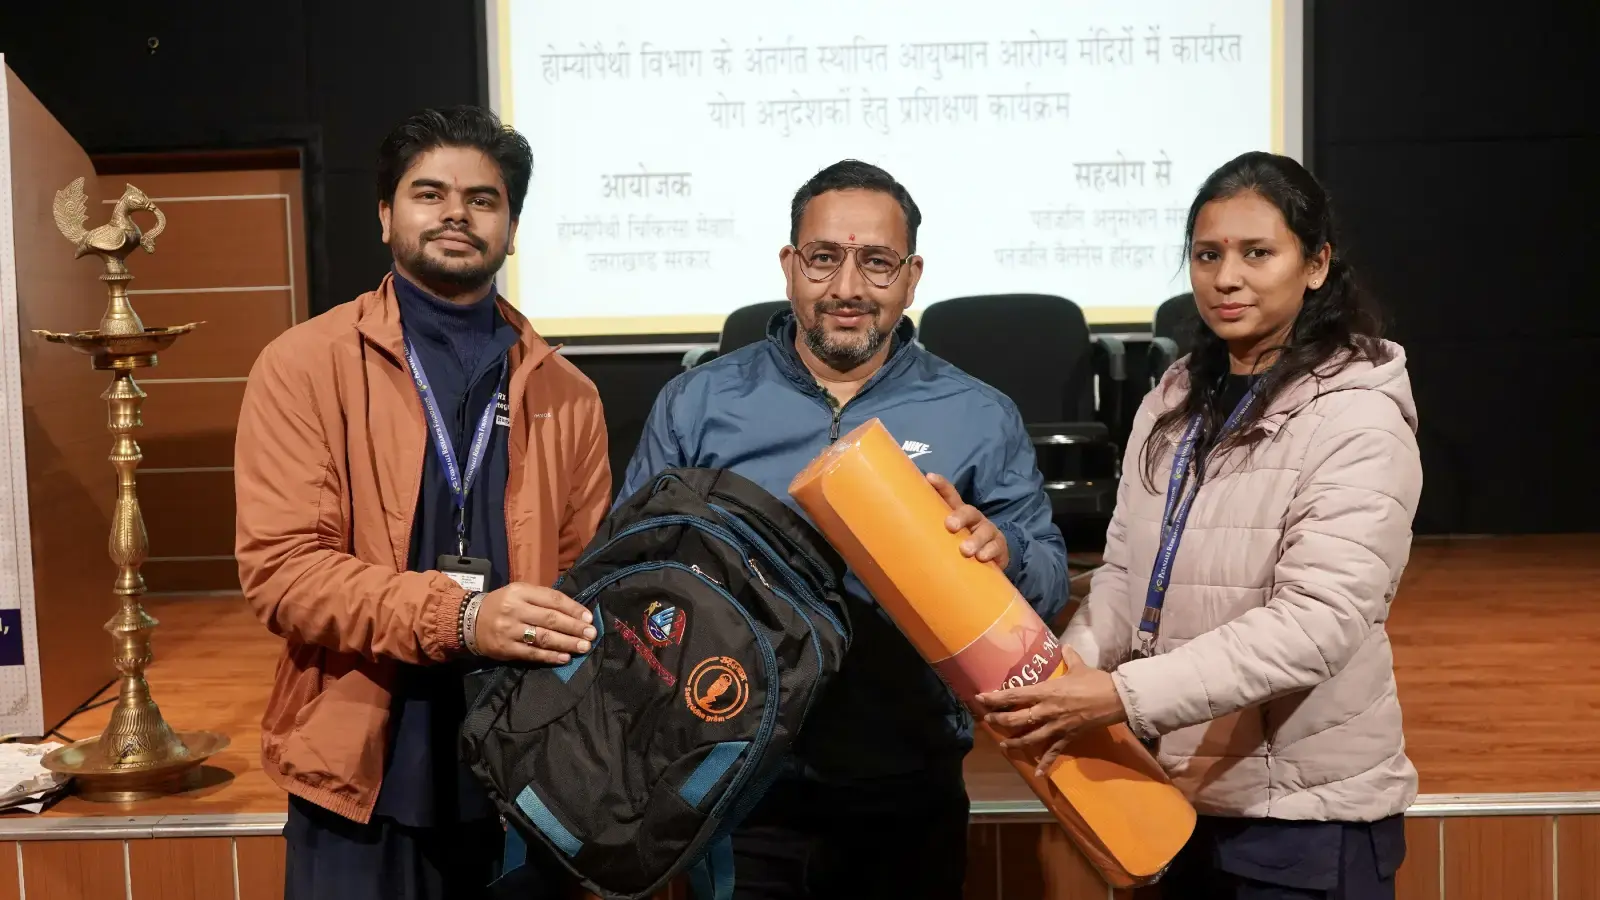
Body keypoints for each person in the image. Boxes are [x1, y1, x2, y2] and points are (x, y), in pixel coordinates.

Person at [615, 159, 1069, 899]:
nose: (848, 287)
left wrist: (1005, 551)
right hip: (733, 782)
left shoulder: (978, 414)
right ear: (789, 267)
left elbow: (1046, 582)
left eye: (877, 262)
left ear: (912, 277)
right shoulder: (699, 403)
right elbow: (629, 567)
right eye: (824, 258)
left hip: (905, 783)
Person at [973, 151, 1419, 899]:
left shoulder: (1359, 415)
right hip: (1170, 799)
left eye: (1257, 253)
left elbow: (1319, 622)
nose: (1226, 277)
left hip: (1302, 819)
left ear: (1316, 265)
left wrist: (1119, 696)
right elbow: (1124, 576)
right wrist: (1067, 677)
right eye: (1208, 255)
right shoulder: (1175, 399)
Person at [234, 106, 611, 900]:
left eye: (482, 199)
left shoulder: (568, 394)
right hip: (361, 768)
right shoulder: (305, 365)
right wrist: (462, 618)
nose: (455, 214)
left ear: (512, 229)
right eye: (429, 193)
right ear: (385, 215)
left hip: (524, 770)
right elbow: (284, 574)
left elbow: (587, 580)